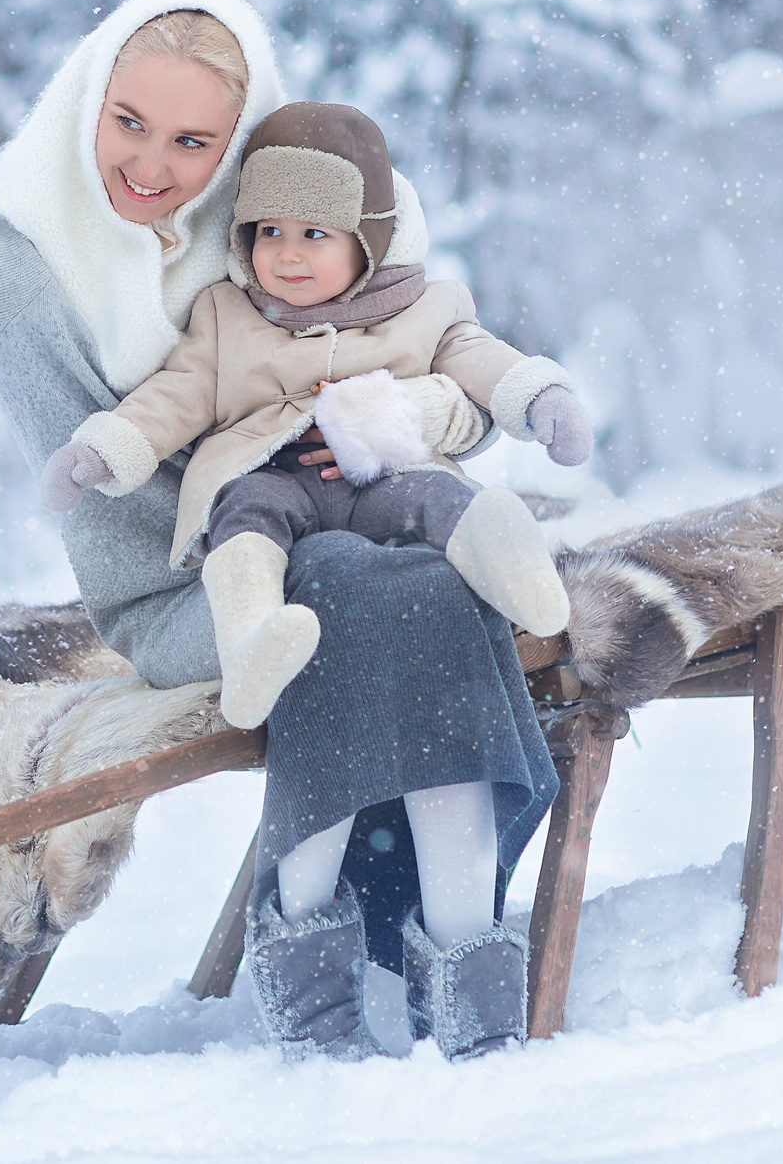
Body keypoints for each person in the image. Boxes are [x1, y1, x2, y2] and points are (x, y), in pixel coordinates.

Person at [0, 0, 559, 1062]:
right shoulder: (13, 267)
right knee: (353, 584)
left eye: (193, 141)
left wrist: (408, 416)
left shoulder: (275, 232)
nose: (152, 168)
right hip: (190, 604)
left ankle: (451, 944)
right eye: (129, 124)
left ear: (239, 145)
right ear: (85, 103)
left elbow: (448, 378)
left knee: (413, 579)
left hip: (367, 544)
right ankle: (337, 957)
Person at [39, 101, 592, 731]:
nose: (287, 256)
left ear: (368, 243)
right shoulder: (228, 314)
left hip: (385, 475)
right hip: (272, 478)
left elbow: (479, 356)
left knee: (435, 495)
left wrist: (541, 396)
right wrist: (106, 449)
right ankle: (252, 641)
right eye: (269, 232)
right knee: (242, 517)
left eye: (315, 234)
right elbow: (177, 392)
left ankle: (514, 571)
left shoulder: (424, 307)